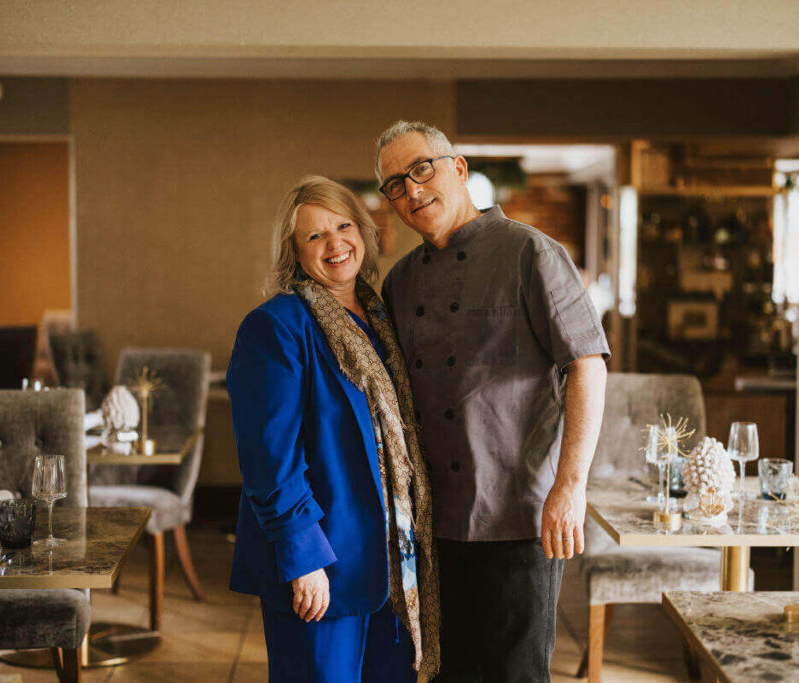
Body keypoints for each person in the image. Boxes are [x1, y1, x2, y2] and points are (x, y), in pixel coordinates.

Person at [375, 121, 610, 682]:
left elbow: (588, 366)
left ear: (457, 169)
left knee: (515, 675)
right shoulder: (400, 282)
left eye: (421, 169)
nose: (410, 190)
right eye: (393, 184)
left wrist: (570, 485)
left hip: (519, 517)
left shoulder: (531, 252)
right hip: (435, 522)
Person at [226, 176, 440, 682]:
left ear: (363, 232)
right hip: (323, 565)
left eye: (343, 226)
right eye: (315, 236)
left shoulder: (382, 318)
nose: (335, 243)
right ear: (294, 253)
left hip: (391, 558)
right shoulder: (276, 325)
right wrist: (303, 559)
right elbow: (269, 461)